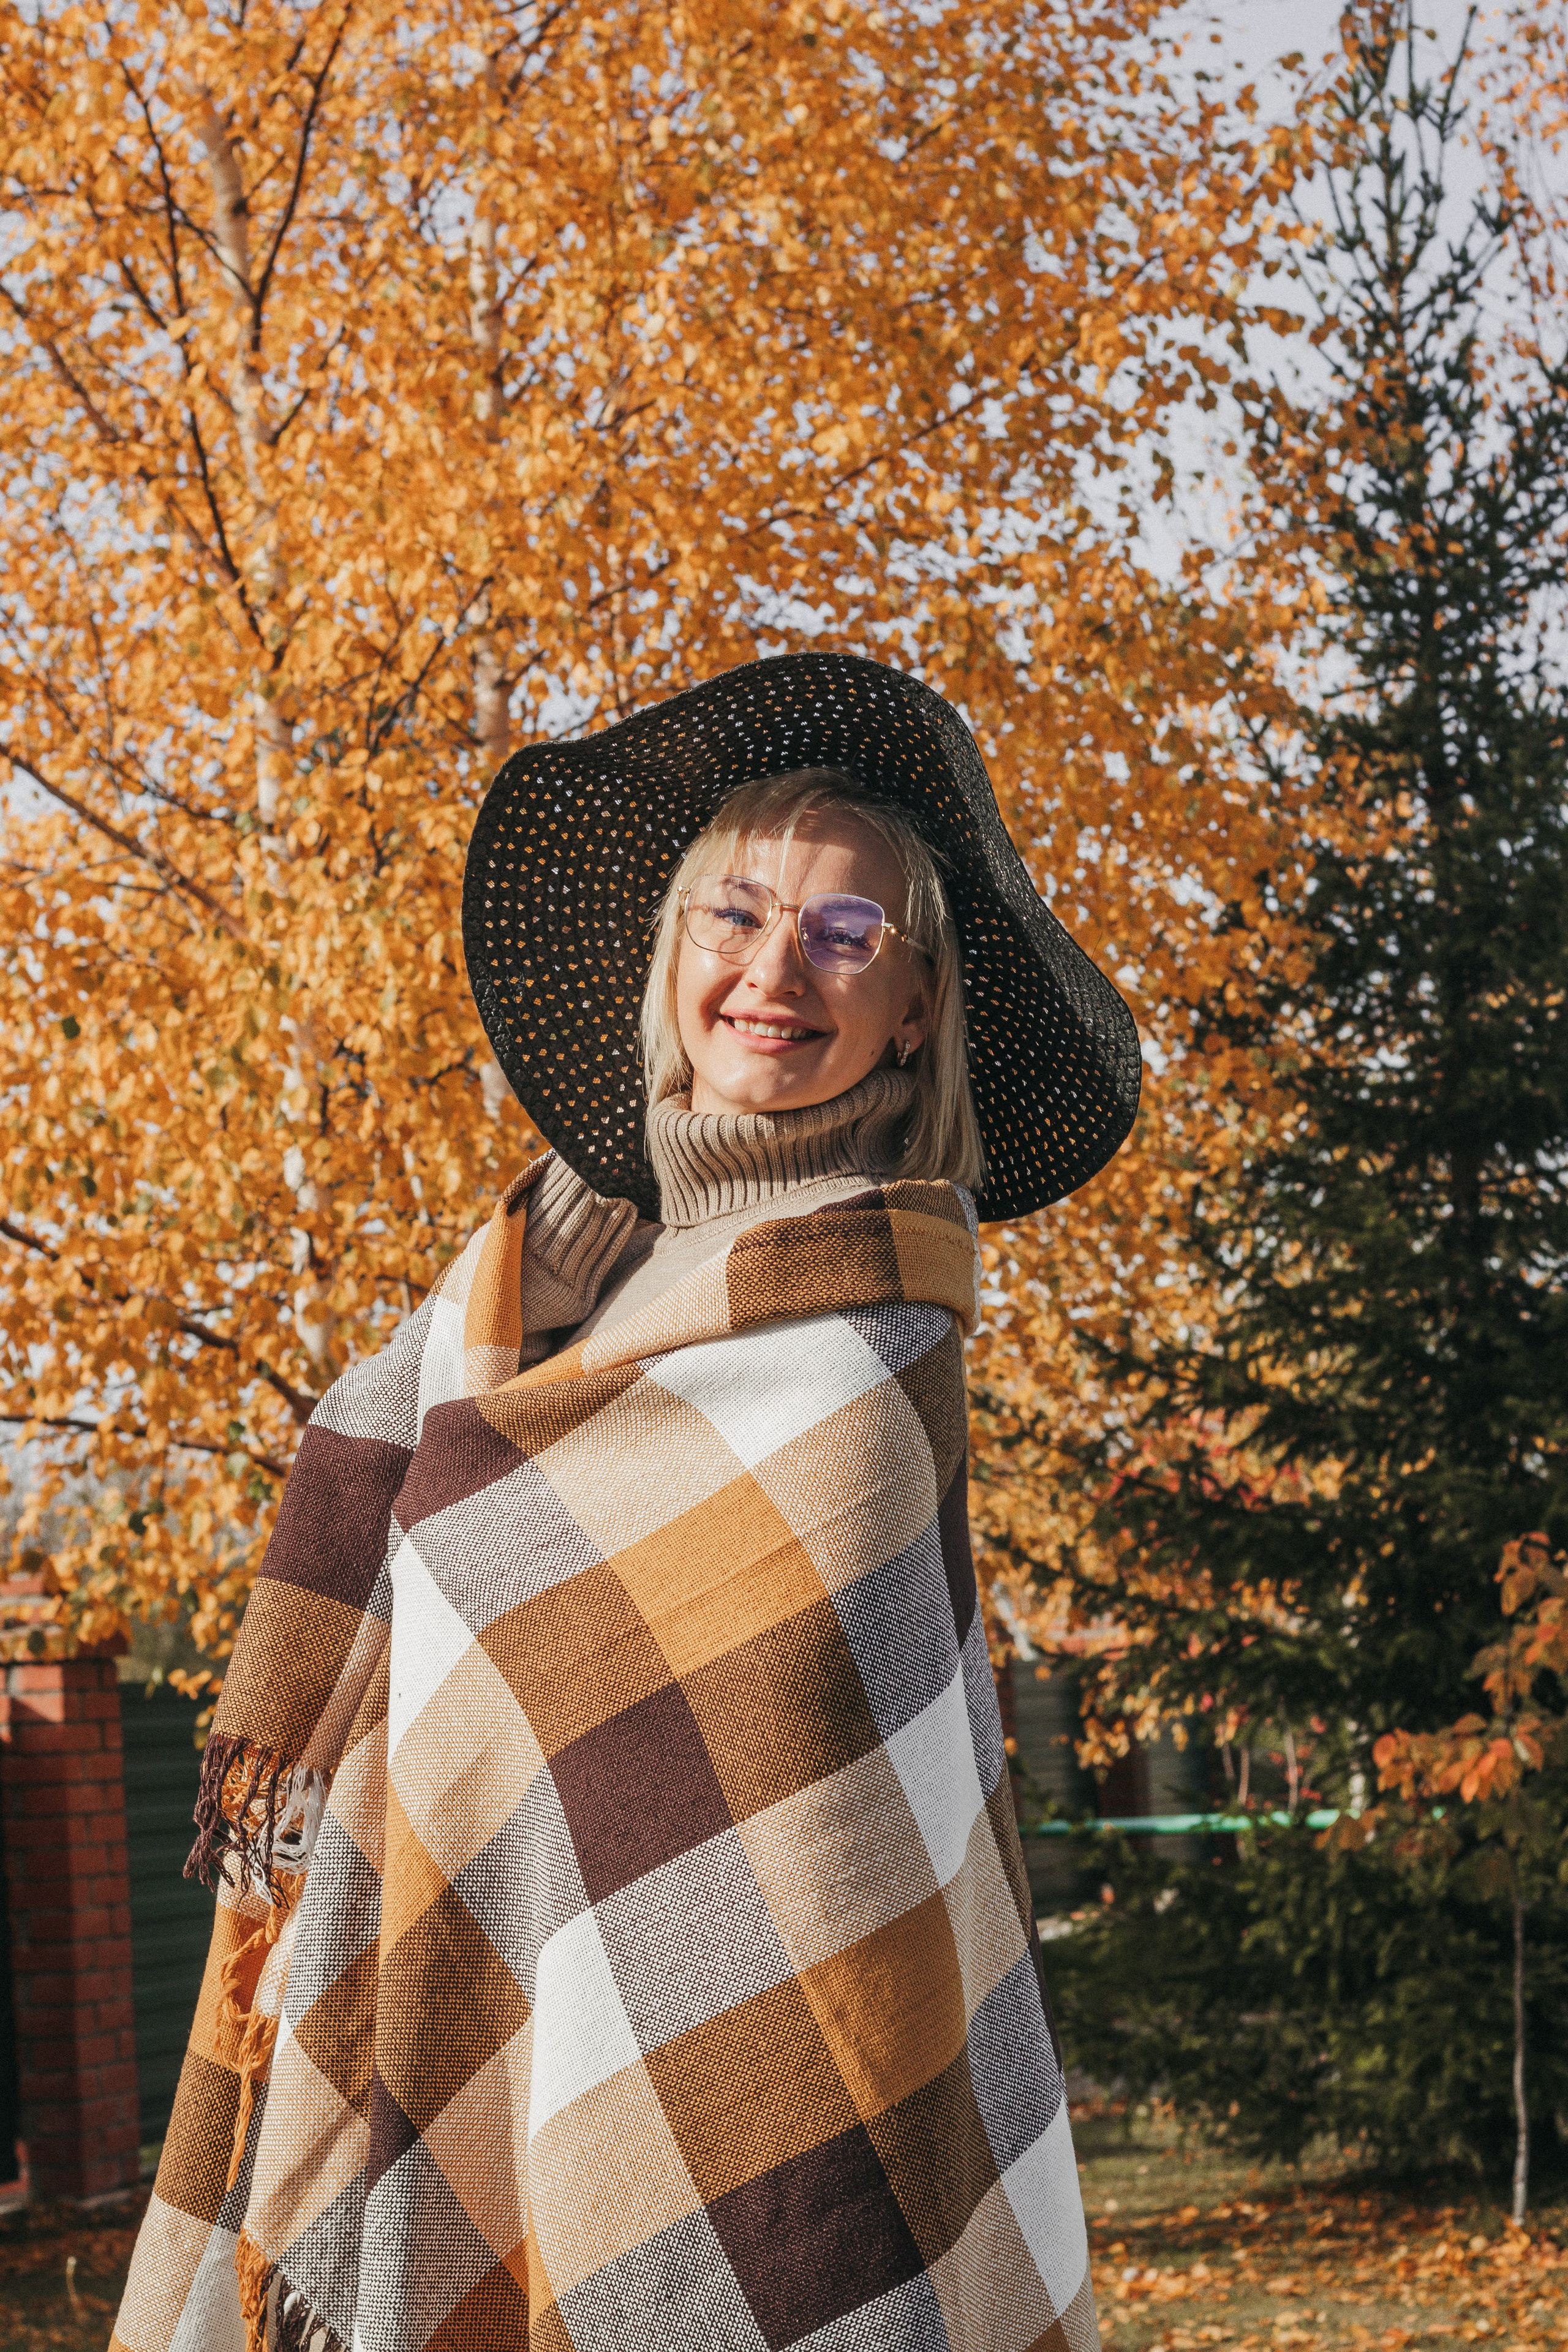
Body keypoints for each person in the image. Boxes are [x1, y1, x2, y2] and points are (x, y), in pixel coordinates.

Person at [111, 652, 1140, 2352]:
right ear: (670, 961)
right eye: (733, 917)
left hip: (744, 2128)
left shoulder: (866, 1366)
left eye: (843, 935)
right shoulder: (532, 1302)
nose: (774, 971)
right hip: (470, 2013)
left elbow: (821, 1858)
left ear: (919, 1008)